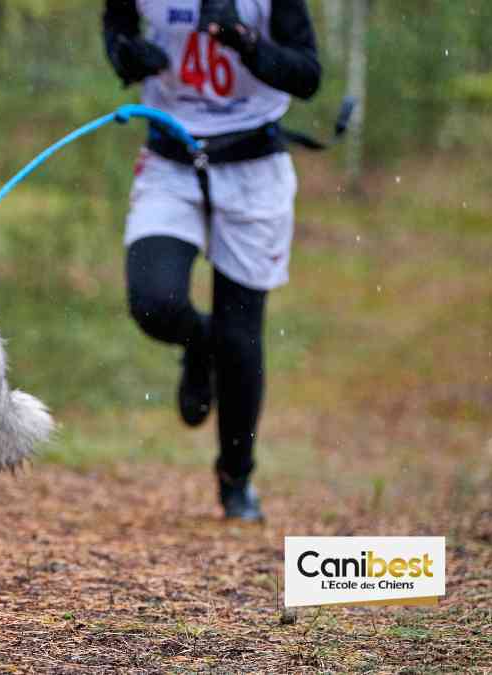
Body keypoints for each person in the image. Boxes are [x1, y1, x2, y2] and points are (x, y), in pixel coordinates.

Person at [102, 0, 321, 520]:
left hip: (253, 164)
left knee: (242, 335)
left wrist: (246, 43)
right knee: (154, 303)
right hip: (170, 162)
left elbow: (307, 75)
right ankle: (199, 346)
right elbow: (116, 29)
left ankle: (236, 475)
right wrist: (128, 56)